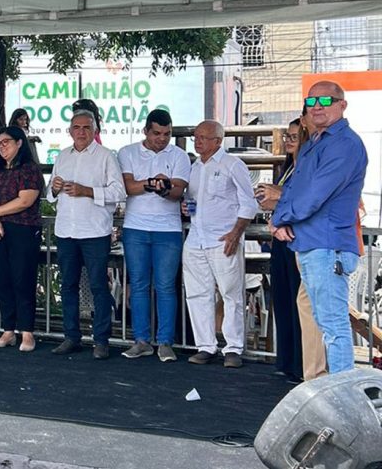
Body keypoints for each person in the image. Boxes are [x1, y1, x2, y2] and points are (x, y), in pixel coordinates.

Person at [272, 81, 368, 375]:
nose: (316, 106)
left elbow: (314, 194)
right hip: (310, 244)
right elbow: (295, 189)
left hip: (328, 246)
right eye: (311, 100)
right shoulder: (316, 143)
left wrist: (280, 218)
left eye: (325, 100)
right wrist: (280, 218)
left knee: (333, 326)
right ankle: (322, 383)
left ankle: (341, 393)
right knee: (322, 322)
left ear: (342, 105)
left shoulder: (345, 144)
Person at [47, 109, 126, 359]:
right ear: (70, 131)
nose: (81, 132)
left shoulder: (106, 156)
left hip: (94, 231)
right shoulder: (62, 156)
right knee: (68, 285)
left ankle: (101, 340)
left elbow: (119, 192)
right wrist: (55, 188)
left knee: (98, 286)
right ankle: (71, 337)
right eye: (77, 127)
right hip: (66, 230)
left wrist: (88, 191)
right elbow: (50, 194)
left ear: (95, 131)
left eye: (86, 127)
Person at [182, 120, 259, 368]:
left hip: (223, 238)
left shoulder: (233, 165)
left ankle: (233, 348)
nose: (197, 141)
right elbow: (192, 201)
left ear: (218, 141)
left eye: (203, 137)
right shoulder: (194, 167)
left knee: (231, 294)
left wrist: (235, 234)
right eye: (195, 137)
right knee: (197, 293)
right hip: (196, 237)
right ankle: (205, 345)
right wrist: (186, 207)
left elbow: (249, 203)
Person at [118, 109, 191, 362]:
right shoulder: (127, 152)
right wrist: (153, 183)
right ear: (146, 131)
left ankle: (165, 341)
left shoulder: (179, 155)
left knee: (165, 286)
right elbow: (128, 187)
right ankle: (141, 340)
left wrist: (165, 187)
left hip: (168, 229)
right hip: (135, 226)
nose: (162, 139)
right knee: (138, 284)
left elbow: (178, 191)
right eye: (157, 133)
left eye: (167, 134)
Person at [0, 127, 46, 350]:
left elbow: (25, 200)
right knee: (2, 279)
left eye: (6, 142)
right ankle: (8, 330)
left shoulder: (29, 169)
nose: (1, 147)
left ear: (19, 143)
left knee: (23, 279)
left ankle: (27, 332)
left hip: (23, 229)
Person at [255, 118, 308, 381]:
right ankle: (286, 360)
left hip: (298, 238)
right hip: (279, 239)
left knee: (300, 305)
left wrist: (278, 199)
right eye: (287, 136)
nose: (289, 141)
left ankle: (301, 364)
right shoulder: (287, 168)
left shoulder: (307, 170)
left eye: (294, 137)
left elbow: (303, 201)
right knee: (283, 301)